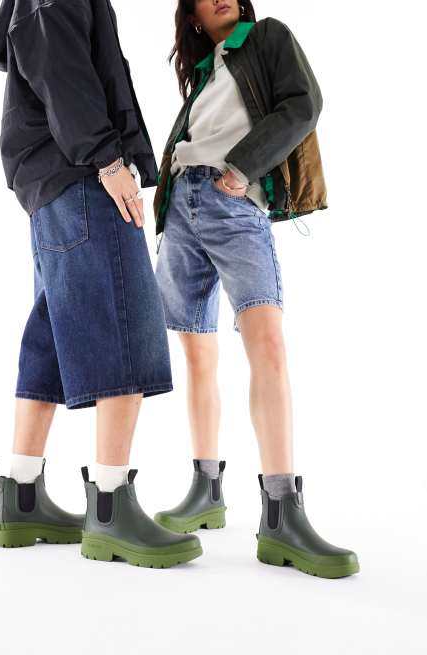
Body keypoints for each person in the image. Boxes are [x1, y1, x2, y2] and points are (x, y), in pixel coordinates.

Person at [0, 0, 202, 568]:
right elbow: (62, 68)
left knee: (52, 334)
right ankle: (110, 507)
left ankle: (21, 496)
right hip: (82, 174)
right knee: (124, 322)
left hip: (53, 180)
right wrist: (107, 160)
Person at [152, 0, 359, 578]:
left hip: (233, 201)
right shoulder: (201, 72)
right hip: (182, 206)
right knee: (197, 353)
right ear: (193, 18)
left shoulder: (266, 36)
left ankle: (280, 514)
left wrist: (242, 169)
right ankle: (206, 491)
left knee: (266, 344)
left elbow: (303, 104)